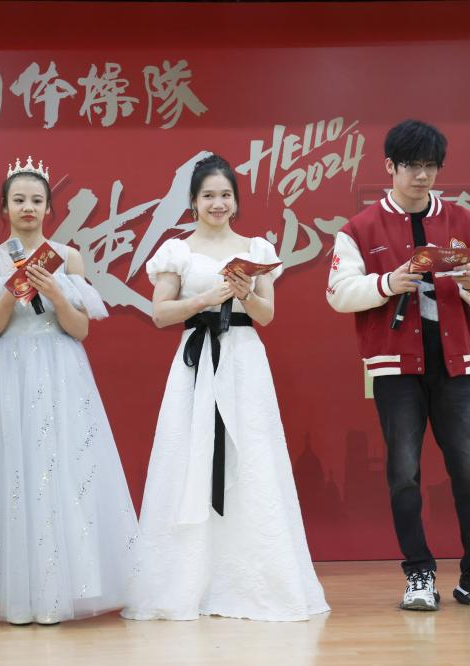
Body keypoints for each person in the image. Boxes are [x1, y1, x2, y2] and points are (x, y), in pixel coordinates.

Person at [0, 157, 137, 625]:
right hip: (5, 374)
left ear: (49, 208)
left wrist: (55, 293)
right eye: (19, 200)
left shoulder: (68, 258)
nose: (28, 208)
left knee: (62, 472)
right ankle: (15, 597)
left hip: (61, 373)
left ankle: (60, 592)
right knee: (9, 475)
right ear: (4, 207)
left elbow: (80, 329)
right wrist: (10, 293)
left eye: (37, 200)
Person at [122, 154, 329, 622]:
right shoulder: (177, 251)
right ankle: (186, 582)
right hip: (196, 363)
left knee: (251, 456)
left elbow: (266, 316)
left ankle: (252, 582)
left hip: (244, 361)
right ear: (193, 201)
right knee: (188, 455)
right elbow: (160, 313)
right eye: (208, 195)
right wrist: (204, 299)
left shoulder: (256, 250)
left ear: (235, 201)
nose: (218, 203)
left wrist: (244, 293)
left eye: (225, 195)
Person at [326, 119, 470, 611]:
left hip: (455, 363)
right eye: (411, 165)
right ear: (389, 167)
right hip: (395, 366)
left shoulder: (465, 222)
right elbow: (338, 294)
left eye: (430, 166)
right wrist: (388, 283)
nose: (422, 175)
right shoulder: (359, 229)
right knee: (404, 473)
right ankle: (418, 573)